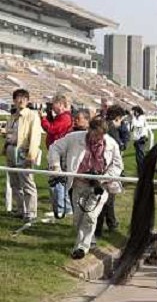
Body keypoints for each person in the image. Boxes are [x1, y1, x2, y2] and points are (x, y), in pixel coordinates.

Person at [48, 117, 123, 259]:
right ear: (89, 130)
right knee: (78, 219)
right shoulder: (74, 138)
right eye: (95, 135)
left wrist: (103, 178)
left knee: (90, 216)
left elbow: (118, 165)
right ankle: (90, 240)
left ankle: (81, 248)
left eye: (101, 136)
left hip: (101, 185)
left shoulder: (111, 144)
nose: (97, 139)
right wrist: (56, 166)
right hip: (79, 184)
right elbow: (54, 147)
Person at [2, 88, 42, 222]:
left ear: (28, 101)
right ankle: (21, 209)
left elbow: (35, 137)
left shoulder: (32, 116)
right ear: (14, 100)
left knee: (27, 182)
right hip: (10, 150)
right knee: (14, 183)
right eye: (18, 98)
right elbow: (10, 132)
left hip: (23, 152)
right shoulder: (12, 116)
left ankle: (31, 212)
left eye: (24, 98)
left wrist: (31, 156)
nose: (20, 101)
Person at [41, 94, 74, 219]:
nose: (51, 107)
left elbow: (52, 129)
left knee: (57, 181)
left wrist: (44, 118)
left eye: (53, 104)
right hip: (58, 151)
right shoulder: (61, 117)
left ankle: (61, 208)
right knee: (61, 181)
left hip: (59, 153)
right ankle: (66, 207)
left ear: (60, 104)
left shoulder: (65, 117)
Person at [95, 105, 127, 236]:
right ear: (118, 118)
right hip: (108, 168)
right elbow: (117, 147)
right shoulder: (112, 129)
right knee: (107, 199)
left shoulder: (103, 125)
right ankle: (103, 227)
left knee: (104, 198)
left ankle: (109, 223)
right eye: (122, 120)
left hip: (100, 166)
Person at [131, 105, 150, 176]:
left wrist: (133, 117)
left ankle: (143, 171)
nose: (133, 113)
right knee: (139, 157)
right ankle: (141, 171)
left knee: (140, 157)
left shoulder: (141, 117)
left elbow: (137, 125)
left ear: (137, 111)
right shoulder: (139, 117)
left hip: (141, 139)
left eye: (134, 112)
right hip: (138, 139)